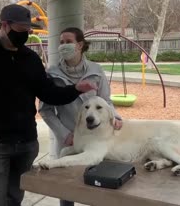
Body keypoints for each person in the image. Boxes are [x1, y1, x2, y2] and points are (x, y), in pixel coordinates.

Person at [0, 4, 97, 206]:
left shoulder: (30, 59)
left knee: (14, 198)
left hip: (26, 144)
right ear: (5, 25)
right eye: (21, 30)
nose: (26, 35)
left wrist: (76, 89)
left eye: (28, 31)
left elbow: (48, 93)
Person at [38, 27, 123, 206]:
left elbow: (106, 101)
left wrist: (116, 117)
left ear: (80, 45)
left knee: (97, 182)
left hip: (96, 138)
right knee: (67, 187)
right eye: (61, 42)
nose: (63, 46)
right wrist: (64, 134)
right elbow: (45, 110)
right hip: (68, 137)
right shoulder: (52, 74)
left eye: (68, 42)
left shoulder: (96, 70)